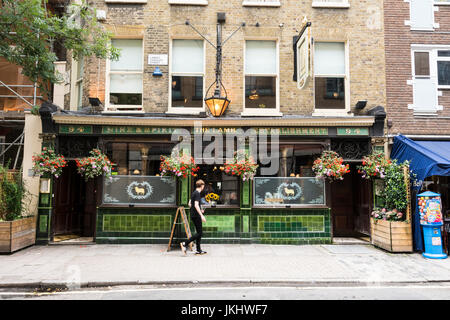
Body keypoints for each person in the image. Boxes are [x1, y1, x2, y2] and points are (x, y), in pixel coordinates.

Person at [180, 179, 207, 255]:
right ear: (202, 186)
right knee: (200, 233)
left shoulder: (194, 193)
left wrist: (200, 209)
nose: (203, 187)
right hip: (196, 216)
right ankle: (185, 243)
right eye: (203, 186)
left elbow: (189, 203)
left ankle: (198, 250)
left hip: (193, 215)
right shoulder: (197, 193)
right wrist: (201, 215)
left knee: (199, 232)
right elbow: (195, 205)